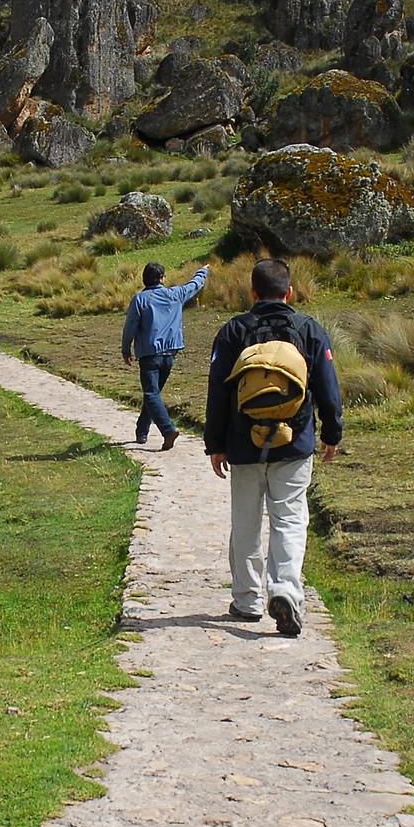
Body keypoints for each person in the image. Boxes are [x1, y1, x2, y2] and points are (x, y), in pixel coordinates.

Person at [204, 257, 342, 638]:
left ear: (252, 292)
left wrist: (215, 443)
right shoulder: (308, 329)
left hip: (243, 444)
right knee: (290, 519)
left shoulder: (233, 332)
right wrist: (332, 432)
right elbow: (328, 388)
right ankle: (284, 590)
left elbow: (218, 390)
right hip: (293, 443)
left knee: (246, 521)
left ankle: (247, 600)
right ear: (290, 292)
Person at [121, 260, 209, 450]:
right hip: (170, 353)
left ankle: (168, 429)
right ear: (162, 278)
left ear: (145, 279)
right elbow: (194, 285)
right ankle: (142, 431)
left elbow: (130, 327)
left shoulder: (140, 300)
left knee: (151, 393)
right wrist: (202, 272)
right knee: (153, 393)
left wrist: (126, 349)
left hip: (149, 354)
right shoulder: (175, 294)